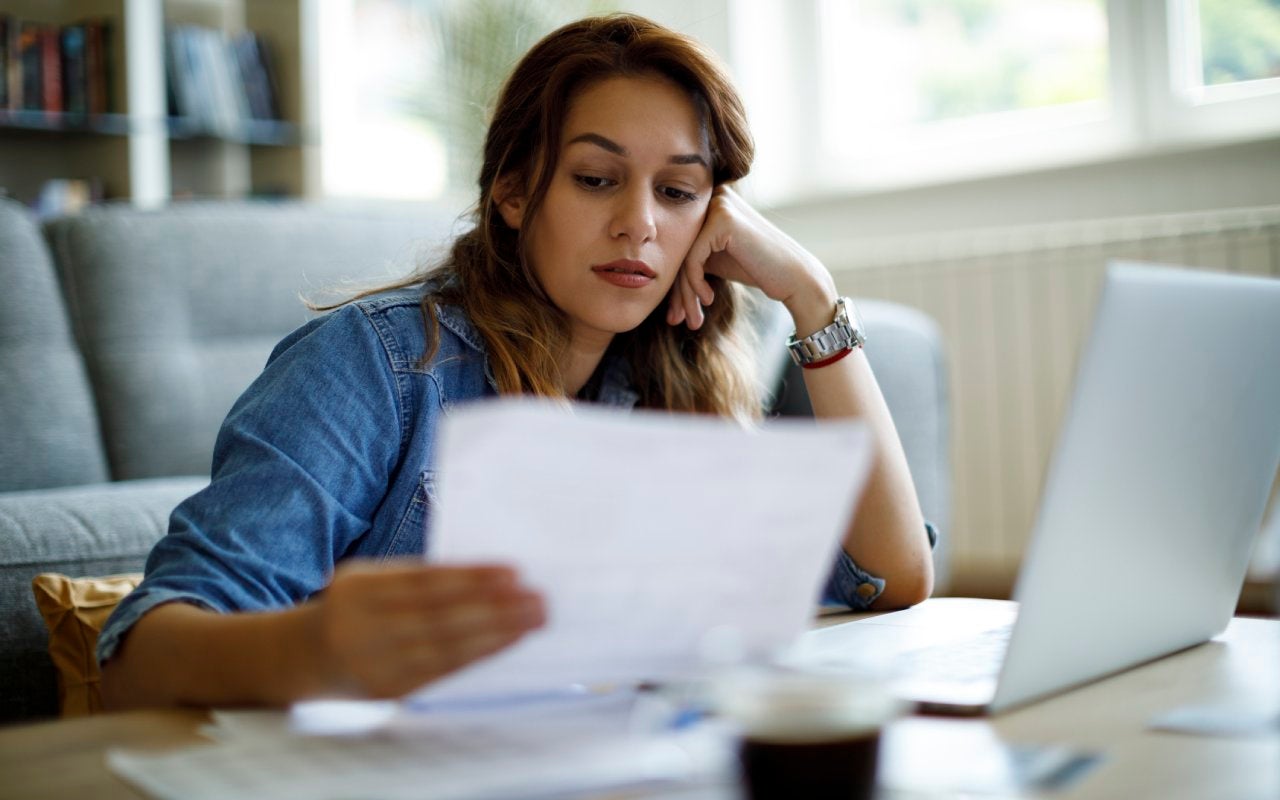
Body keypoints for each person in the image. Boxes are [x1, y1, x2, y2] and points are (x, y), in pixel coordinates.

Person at [99, 13, 934, 710]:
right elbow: (137, 658)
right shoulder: (379, 363)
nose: (640, 223)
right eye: (597, 179)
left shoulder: (672, 382)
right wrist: (316, 647)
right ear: (512, 190)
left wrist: (813, 297)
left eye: (677, 192)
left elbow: (888, 578)